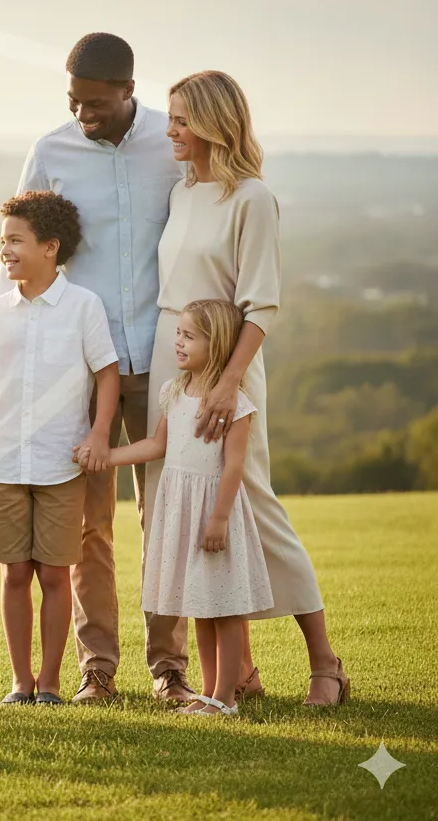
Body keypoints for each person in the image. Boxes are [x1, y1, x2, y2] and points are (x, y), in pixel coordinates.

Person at [152, 69, 349, 706]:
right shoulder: (183, 193)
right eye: (170, 116)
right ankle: (239, 673)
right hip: (173, 360)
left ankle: (325, 662)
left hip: (227, 369)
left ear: (214, 121)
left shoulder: (252, 197)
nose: (171, 130)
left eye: (182, 119)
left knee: (253, 505)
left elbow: (260, 304)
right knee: (183, 508)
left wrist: (226, 383)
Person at [3, 33, 190, 703]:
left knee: (165, 515)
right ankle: (97, 670)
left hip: (166, 357)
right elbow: (17, 249)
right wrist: (7, 347)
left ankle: (169, 667)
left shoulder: (174, 143)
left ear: (128, 90)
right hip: (77, 367)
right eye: (74, 102)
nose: (83, 115)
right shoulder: (50, 151)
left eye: (96, 104)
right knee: (88, 526)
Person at [0, 192, 120, 705]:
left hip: (63, 463)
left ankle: (52, 683)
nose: (6, 251)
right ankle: (20, 683)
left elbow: (107, 374)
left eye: (16, 240)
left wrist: (99, 433)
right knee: (15, 573)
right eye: (2, 242)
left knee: (56, 574)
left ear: (50, 247)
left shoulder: (84, 307)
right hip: (6, 463)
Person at [94, 299, 273, 716]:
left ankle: (225, 698)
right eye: (178, 333)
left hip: (212, 511)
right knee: (201, 607)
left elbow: (233, 466)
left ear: (219, 344)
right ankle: (208, 695)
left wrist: (220, 519)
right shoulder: (174, 391)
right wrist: (105, 454)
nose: (178, 343)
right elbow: (157, 446)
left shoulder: (234, 404)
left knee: (223, 609)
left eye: (189, 336)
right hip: (181, 510)